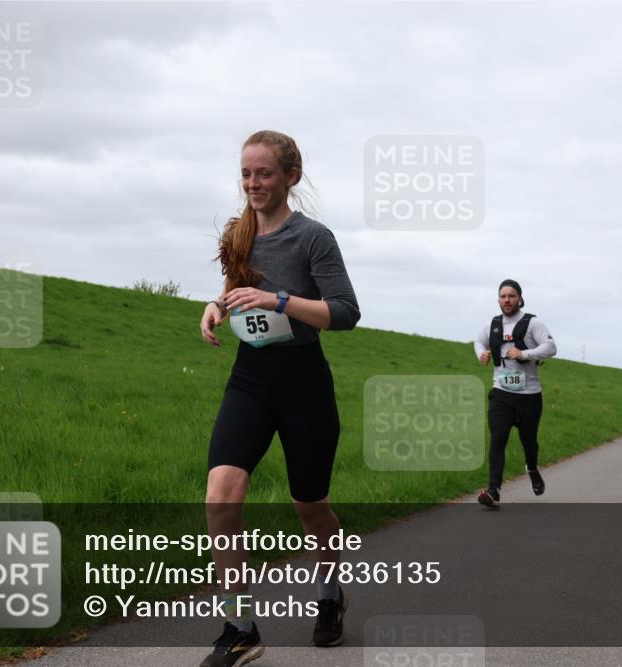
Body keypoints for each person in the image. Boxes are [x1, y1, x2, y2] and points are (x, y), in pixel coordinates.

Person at [199, 131, 360, 667]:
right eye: (245, 174)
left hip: (304, 384)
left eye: (263, 174)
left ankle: (330, 593)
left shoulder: (314, 238)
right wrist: (218, 305)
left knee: (309, 505)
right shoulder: (239, 233)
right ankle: (240, 628)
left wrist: (280, 299)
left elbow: (344, 313)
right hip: (251, 378)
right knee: (221, 493)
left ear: (290, 176)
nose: (252, 184)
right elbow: (235, 287)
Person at [473, 279, 557, 508]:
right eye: (503, 296)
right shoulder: (492, 324)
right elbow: (478, 342)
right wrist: (481, 353)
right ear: (498, 299)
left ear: (520, 298)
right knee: (498, 439)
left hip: (529, 396)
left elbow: (551, 348)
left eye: (511, 296)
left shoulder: (533, 323)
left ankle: (531, 468)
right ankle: (493, 491)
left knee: (528, 441)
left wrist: (524, 354)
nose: (507, 300)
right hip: (501, 394)